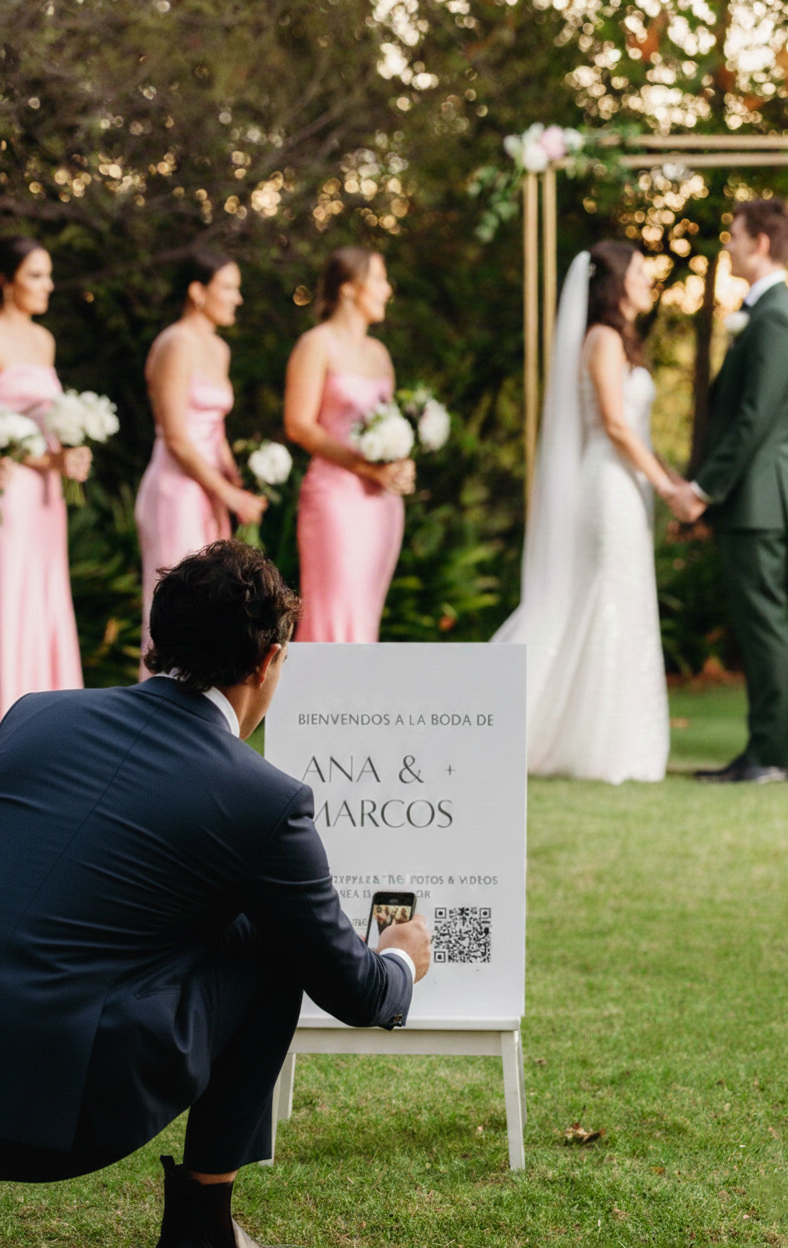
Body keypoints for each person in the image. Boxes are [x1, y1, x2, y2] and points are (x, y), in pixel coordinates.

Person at [0, 540, 431, 1248]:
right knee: (272, 940)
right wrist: (398, 960)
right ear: (268, 663)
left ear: (157, 641)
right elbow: (355, 992)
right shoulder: (265, 799)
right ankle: (202, 1225)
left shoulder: (33, 715)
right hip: (57, 1121)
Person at [493, 242, 687, 783]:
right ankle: (576, 739)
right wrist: (669, 489)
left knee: (622, 601)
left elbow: (639, 430)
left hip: (627, 485)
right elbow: (618, 426)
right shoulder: (601, 339)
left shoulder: (622, 342)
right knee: (600, 600)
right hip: (606, 487)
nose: (649, 280)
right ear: (618, 281)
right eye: (642, 272)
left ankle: (616, 737)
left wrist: (670, 479)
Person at [672, 199, 788, 784]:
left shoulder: (777, 316)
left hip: (757, 497)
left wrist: (703, 489)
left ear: (759, 244)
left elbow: (753, 419)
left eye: (733, 235)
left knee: (764, 626)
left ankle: (771, 757)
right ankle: (760, 752)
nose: (726, 245)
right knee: (757, 624)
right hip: (750, 497)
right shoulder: (764, 311)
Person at [135, 249, 266, 676]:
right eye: (228, 287)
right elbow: (176, 434)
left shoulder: (219, 348)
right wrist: (225, 491)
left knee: (211, 609)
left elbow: (215, 430)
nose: (238, 298)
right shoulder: (175, 343)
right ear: (197, 291)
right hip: (176, 491)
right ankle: (155, 717)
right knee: (175, 612)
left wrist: (240, 480)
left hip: (209, 490)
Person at [284, 246, 415, 642]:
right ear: (348, 288)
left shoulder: (379, 354)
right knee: (333, 609)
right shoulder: (316, 344)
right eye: (378, 279)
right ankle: (318, 704)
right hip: (335, 500)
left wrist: (400, 463)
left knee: (367, 613)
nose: (387, 290)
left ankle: (356, 705)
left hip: (382, 504)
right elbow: (299, 425)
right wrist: (364, 466)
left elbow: (387, 425)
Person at [0, 235, 91, 719]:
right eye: (35, 275)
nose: (47, 285)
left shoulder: (43, 340)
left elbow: (46, 417)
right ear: (5, 280)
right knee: (11, 588)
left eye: (48, 274)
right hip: (10, 488)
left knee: (46, 588)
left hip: (48, 495)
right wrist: (47, 460)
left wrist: (69, 451)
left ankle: (47, 712)